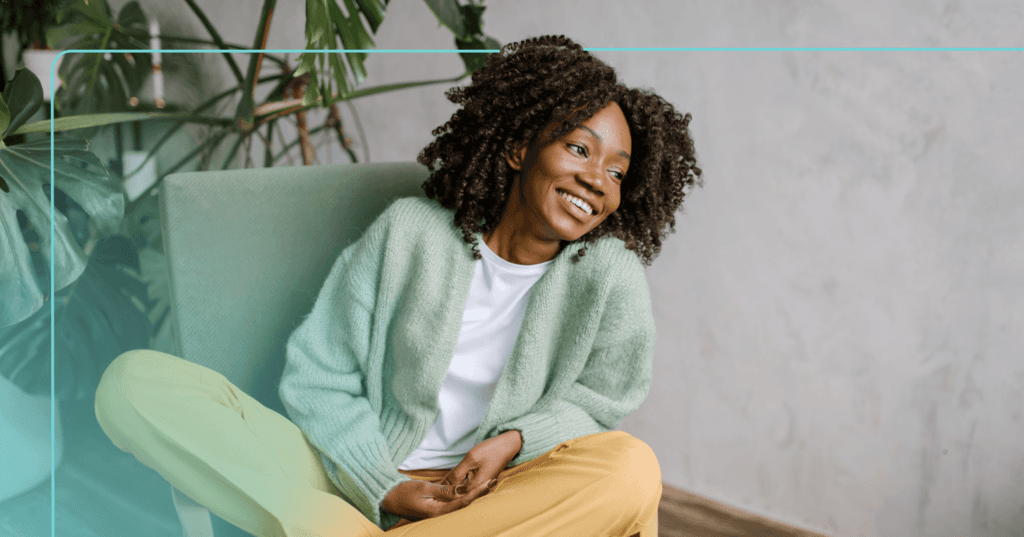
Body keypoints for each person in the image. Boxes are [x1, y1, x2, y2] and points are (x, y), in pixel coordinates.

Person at [94, 35, 702, 537]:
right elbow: (319, 376)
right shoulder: (411, 234)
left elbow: (601, 402)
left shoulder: (608, 277)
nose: (597, 180)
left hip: (501, 495)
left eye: (617, 172)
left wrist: (513, 442)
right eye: (579, 149)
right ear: (520, 147)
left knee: (630, 467)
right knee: (133, 383)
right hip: (357, 476)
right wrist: (383, 485)